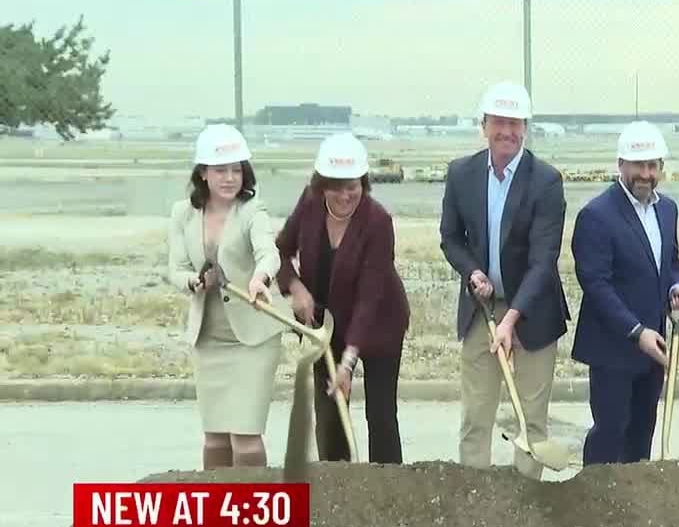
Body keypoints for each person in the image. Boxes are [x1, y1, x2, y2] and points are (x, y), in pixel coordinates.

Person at [439, 81, 570, 479]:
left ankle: (524, 502)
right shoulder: (461, 174)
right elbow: (450, 237)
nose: (508, 132)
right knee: (476, 414)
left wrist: (512, 318)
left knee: (530, 417)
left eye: (516, 124)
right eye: (500, 123)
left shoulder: (546, 181)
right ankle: (474, 493)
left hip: (533, 310)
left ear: (525, 128)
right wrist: (472, 271)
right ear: (484, 126)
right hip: (481, 309)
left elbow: (543, 259)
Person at [275, 132, 410, 464]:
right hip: (324, 324)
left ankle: (386, 486)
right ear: (321, 185)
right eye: (336, 187)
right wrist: (295, 287)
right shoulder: (309, 204)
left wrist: (348, 363)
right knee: (331, 410)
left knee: (380, 416)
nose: (346, 195)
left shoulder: (377, 221)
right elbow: (280, 250)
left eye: (353, 186)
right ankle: (336, 486)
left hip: (379, 323)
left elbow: (369, 295)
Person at [167, 124, 285, 469]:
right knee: (215, 435)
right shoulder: (182, 214)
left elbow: (269, 253)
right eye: (221, 170)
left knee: (246, 436)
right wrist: (193, 282)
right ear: (203, 173)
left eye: (237, 170)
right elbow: (176, 268)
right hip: (209, 337)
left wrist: (260, 278)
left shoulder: (252, 211)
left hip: (252, 338)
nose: (230, 178)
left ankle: (255, 512)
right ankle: (218, 514)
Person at [570, 121, 679, 465]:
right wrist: (636, 332)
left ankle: (634, 507)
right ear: (621, 165)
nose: (645, 174)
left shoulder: (667, 210)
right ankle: (594, 497)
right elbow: (595, 284)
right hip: (613, 348)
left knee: (641, 431)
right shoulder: (596, 216)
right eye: (638, 165)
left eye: (652, 166)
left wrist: (675, 285)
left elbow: (670, 260)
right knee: (610, 431)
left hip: (655, 346)